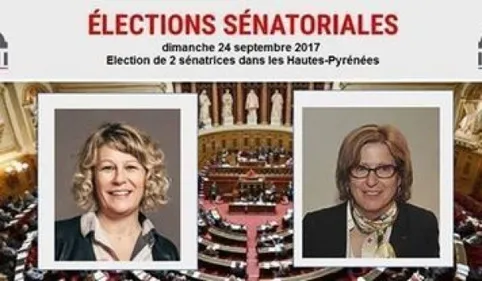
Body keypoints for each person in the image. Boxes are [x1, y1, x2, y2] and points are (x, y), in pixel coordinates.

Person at [303, 124, 439, 258]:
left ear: (400, 177)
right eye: (361, 169)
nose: (371, 181)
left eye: (384, 169)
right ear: (347, 177)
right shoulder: (313, 226)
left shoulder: (424, 226)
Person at [55, 122, 179, 261]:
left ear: (148, 177)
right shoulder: (55, 239)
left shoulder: (168, 253)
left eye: (131, 167)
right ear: (91, 177)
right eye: (108, 168)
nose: (119, 179)